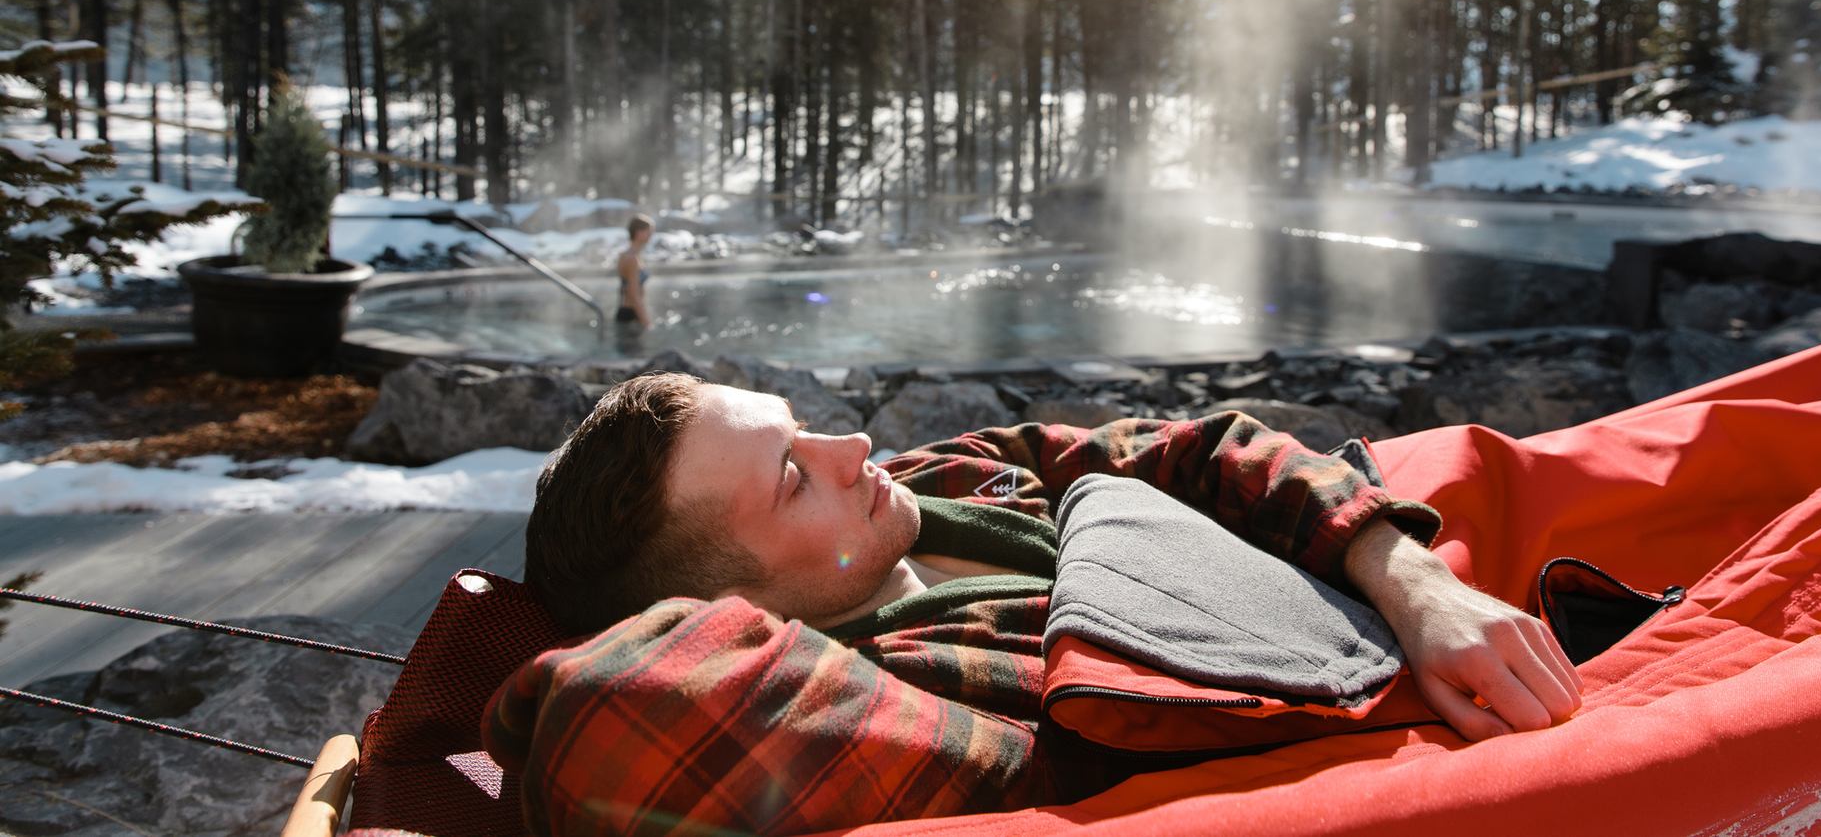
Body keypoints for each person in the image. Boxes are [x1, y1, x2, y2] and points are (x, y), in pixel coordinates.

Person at [491, 372, 1581, 836]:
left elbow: (1192, 443)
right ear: (726, 611)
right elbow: (608, 725)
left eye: (803, 421)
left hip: (1419, 577)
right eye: (791, 473)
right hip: (1452, 685)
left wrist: (1410, 572)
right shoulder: (897, 693)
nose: (856, 446)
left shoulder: (934, 483)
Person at [613, 214, 653, 342]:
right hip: (631, 313)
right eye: (649, 232)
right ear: (639, 232)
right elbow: (633, 294)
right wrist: (646, 321)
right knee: (635, 356)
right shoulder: (631, 259)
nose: (651, 236)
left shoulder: (627, 255)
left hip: (628, 311)